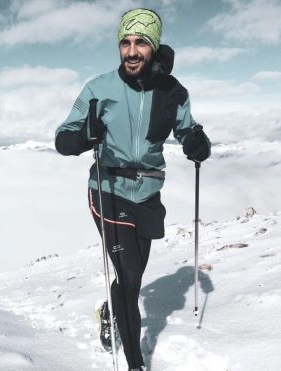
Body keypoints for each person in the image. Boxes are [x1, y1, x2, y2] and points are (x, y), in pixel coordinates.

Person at [54, 8, 210, 371]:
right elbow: (63, 138)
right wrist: (82, 137)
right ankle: (136, 363)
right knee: (128, 278)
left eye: (140, 42)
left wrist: (197, 142)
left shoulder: (174, 93)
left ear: (154, 47)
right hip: (107, 188)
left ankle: (110, 310)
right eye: (125, 42)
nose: (131, 50)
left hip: (148, 195)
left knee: (132, 279)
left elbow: (188, 130)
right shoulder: (98, 88)